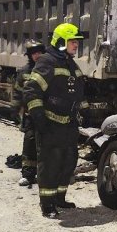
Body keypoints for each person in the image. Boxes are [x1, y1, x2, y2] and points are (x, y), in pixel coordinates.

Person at [24, 23, 86, 218]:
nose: (76, 46)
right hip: (51, 124)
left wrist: (85, 112)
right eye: (72, 42)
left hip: (68, 124)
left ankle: (59, 198)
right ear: (61, 42)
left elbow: (78, 92)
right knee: (50, 164)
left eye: (76, 42)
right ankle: (47, 205)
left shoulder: (70, 63)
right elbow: (32, 90)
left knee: (68, 161)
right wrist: (40, 118)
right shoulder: (47, 61)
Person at [11, 39, 46, 187]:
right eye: (34, 53)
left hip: (46, 116)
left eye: (39, 52)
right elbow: (17, 93)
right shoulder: (24, 72)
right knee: (29, 143)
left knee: (46, 145)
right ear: (29, 55)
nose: (37, 56)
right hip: (30, 116)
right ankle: (28, 175)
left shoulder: (48, 70)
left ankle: (46, 175)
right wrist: (14, 109)